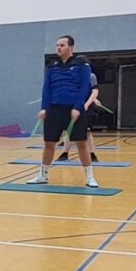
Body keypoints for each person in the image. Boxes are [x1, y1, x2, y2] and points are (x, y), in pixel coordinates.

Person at [34, 35, 99, 189]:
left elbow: (85, 87)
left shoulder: (82, 64)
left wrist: (77, 107)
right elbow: (46, 88)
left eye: (62, 45)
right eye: (57, 45)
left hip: (74, 109)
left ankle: (90, 177)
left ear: (71, 47)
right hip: (54, 109)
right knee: (49, 143)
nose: (58, 48)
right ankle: (43, 175)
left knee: (81, 143)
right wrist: (44, 108)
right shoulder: (51, 65)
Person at [55, 68, 101, 163]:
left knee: (87, 132)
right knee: (69, 130)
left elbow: (94, 91)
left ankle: (92, 154)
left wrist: (88, 104)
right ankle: (64, 153)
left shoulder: (91, 76)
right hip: (72, 106)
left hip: (86, 108)